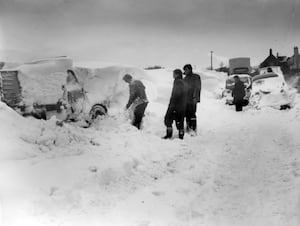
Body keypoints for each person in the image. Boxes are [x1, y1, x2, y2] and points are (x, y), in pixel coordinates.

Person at [163, 69, 187, 139]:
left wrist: (172, 105)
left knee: (168, 118)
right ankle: (181, 135)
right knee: (180, 120)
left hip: (176, 104)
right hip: (182, 105)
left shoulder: (178, 82)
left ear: (177, 74)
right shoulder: (183, 81)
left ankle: (169, 134)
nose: (173, 75)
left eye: (174, 74)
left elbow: (176, 94)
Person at [183, 64, 201, 134]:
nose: (185, 71)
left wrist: (195, 97)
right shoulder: (185, 78)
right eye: (184, 70)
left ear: (190, 69)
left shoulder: (195, 77)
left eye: (186, 69)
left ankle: (193, 128)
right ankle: (188, 127)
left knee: (192, 113)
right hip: (186, 99)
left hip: (193, 98)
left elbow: (197, 88)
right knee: (187, 113)